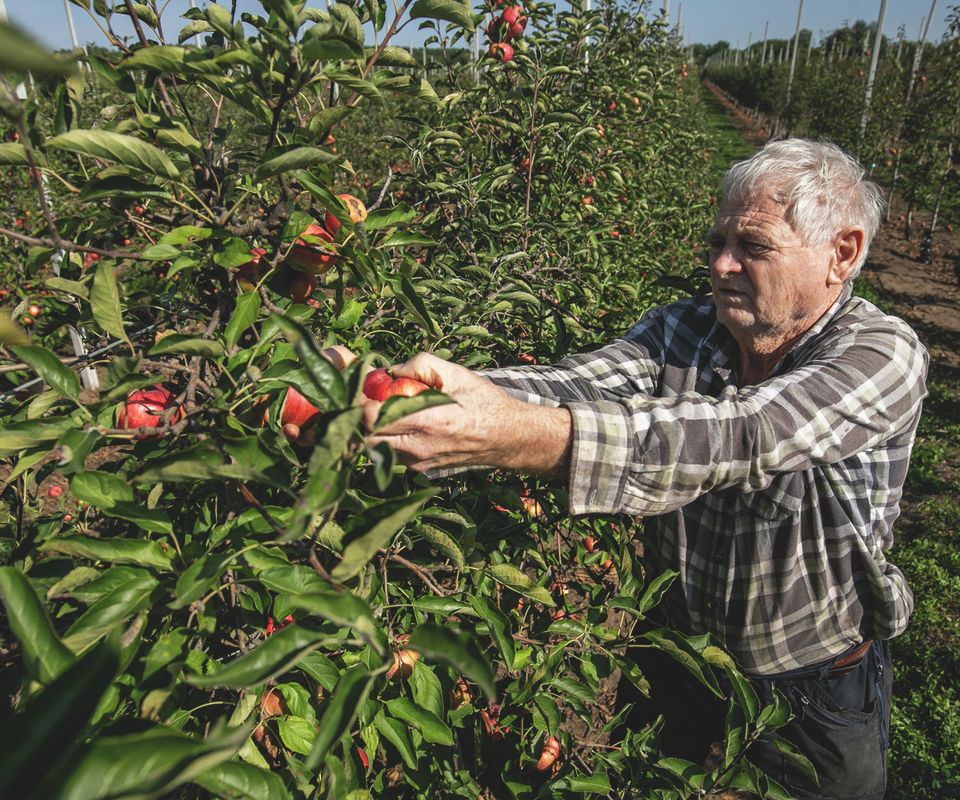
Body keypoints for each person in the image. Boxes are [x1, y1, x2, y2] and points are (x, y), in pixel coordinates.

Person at [358, 139, 929, 800]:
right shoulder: (686, 328)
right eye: (717, 241)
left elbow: (745, 436)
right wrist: (430, 395)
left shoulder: (882, 356)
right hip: (680, 648)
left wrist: (513, 438)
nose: (721, 264)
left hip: (815, 679)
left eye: (754, 247)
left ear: (842, 254)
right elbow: (575, 385)